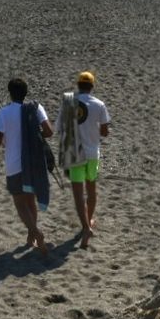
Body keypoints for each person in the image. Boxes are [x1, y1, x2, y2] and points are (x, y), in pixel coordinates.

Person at [0, 78, 54, 254]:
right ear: (26, 93)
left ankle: (36, 233)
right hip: (33, 163)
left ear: (10, 93)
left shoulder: (3, 113)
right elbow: (49, 131)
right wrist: (33, 135)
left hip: (14, 164)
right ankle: (31, 237)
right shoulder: (35, 108)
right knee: (30, 200)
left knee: (20, 203)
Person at [55, 70, 111, 249]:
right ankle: (89, 221)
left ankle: (86, 227)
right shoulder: (99, 104)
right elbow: (105, 132)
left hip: (74, 152)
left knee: (78, 194)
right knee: (91, 189)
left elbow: (59, 128)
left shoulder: (68, 102)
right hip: (92, 152)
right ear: (92, 86)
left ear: (78, 85)